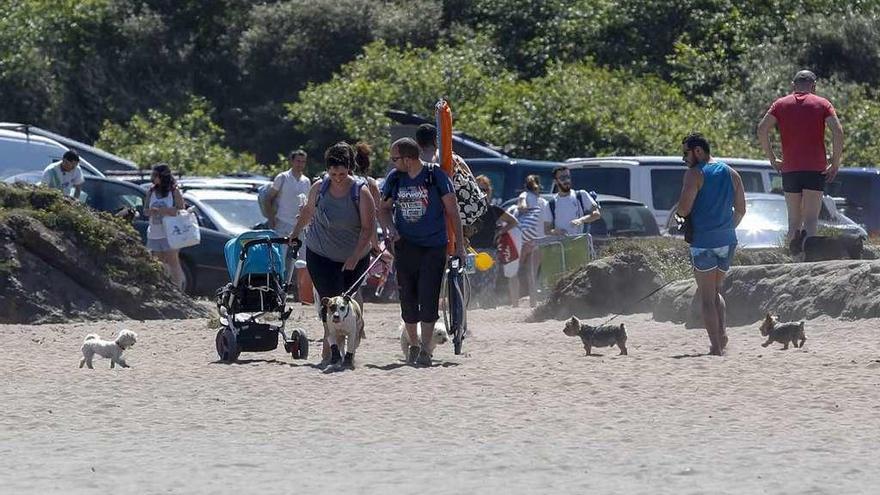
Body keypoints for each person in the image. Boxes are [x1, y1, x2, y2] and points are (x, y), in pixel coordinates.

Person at [378, 137, 465, 367]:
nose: (392, 163)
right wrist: (390, 229)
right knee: (407, 299)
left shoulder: (434, 176)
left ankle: (426, 348)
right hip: (405, 245)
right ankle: (414, 344)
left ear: (408, 159)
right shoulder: (395, 178)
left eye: (395, 158)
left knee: (428, 297)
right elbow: (383, 210)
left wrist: (460, 246)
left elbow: (453, 211)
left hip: (433, 245)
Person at [288, 142, 375, 364]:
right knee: (330, 302)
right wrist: (295, 233)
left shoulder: (360, 192)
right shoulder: (319, 187)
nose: (337, 177)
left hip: (352, 256)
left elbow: (367, 228)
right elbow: (308, 212)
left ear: (349, 170)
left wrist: (355, 257)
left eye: (342, 173)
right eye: (333, 172)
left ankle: (345, 349)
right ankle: (330, 351)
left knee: (346, 302)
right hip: (320, 254)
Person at [757, 69, 844, 254]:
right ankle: (809, 260)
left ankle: (793, 260)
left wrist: (772, 158)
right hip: (815, 169)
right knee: (811, 219)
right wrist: (835, 162)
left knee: (793, 220)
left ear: (793, 85)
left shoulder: (780, 104)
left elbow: (762, 129)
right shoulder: (822, 104)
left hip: (790, 169)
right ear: (814, 86)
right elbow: (838, 131)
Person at [675, 133, 746, 356]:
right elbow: (742, 210)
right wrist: (726, 228)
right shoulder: (732, 173)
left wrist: (679, 217)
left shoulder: (694, 174)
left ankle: (716, 346)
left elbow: (684, 209)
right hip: (727, 241)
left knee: (706, 297)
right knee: (716, 291)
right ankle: (723, 333)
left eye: (685, 152)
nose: (683, 158)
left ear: (698, 151)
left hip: (703, 241)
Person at [468, 175, 519, 308]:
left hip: (489, 252)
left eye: (485, 190)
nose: (482, 193)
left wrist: (500, 231)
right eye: (479, 189)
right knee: (468, 286)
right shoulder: (467, 210)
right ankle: (469, 314)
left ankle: (488, 315)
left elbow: (513, 221)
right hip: (470, 252)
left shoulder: (494, 210)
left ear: (489, 192)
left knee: (487, 287)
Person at [510, 174, 551, 308]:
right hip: (537, 241)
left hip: (523, 240)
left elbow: (521, 206)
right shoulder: (544, 203)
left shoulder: (523, 195)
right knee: (532, 274)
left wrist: (524, 209)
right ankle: (533, 303)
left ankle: (515, 303)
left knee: (514, 272)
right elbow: (546, 226)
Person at [144, 163, 187, 290]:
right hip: (155, 232)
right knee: (157, 262)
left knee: (173, 261)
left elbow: (181, 210)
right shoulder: (151, 191)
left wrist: (166, 210)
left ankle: (178, 289)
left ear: (162, 176)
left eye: (155, 175)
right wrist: (152, 211)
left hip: (170, 233)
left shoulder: (174, 191)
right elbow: (145, 211)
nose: (153, 178)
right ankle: (160, 288)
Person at [548, 165, 602, 256]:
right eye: (562, 178)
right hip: (560, 249)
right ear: (555, 181)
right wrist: (557, 231)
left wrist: (581, 220)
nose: (566, 180)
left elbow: (597, 214)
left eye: (568, 177)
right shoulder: (552, 203)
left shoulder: (581, 195)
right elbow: (547, 230)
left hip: (580, 246)